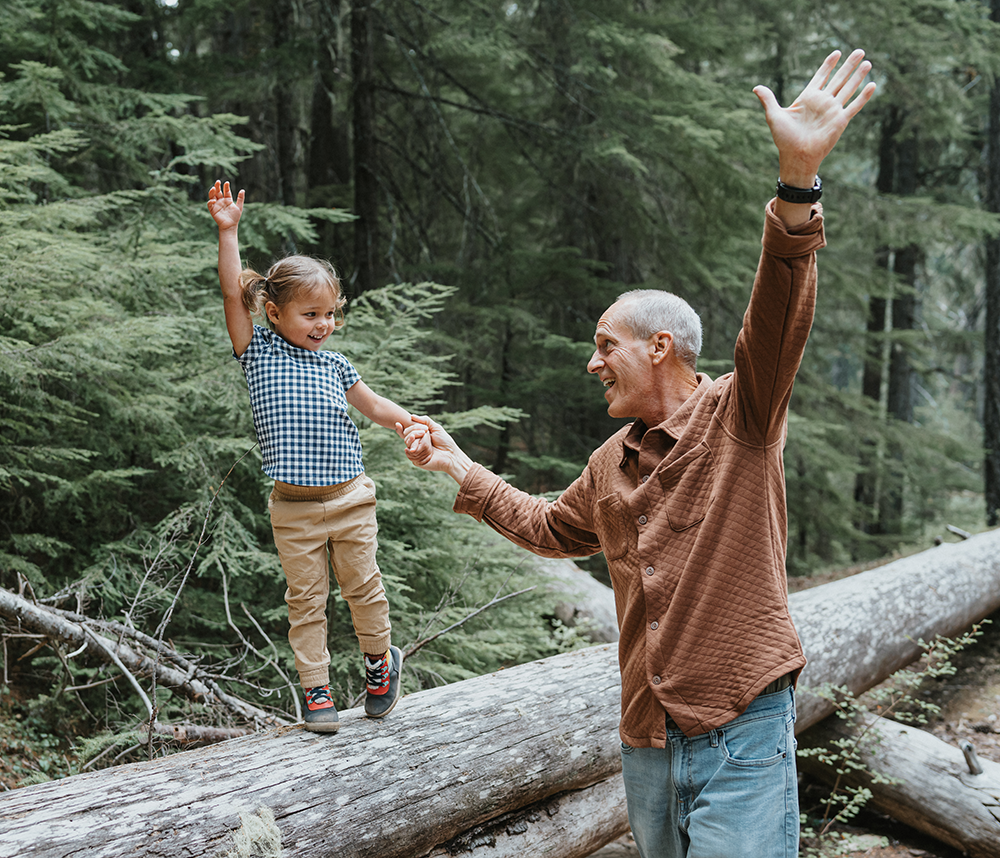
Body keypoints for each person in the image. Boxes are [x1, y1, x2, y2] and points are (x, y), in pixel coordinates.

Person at [402, 50, 876, 856]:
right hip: (646, 741)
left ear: (661, 348)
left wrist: (797, 184)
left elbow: (777, 315)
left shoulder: (742, 416)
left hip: (740, 731)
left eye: (604, 346)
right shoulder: (608, 465)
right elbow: (551, 528)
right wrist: (459, 467)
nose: (592, 363)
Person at [208, 180, 417, 733]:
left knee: (363, 586)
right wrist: (228, 231)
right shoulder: (256, 353)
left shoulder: (335, 364)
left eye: (330, 313)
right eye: (310, 315)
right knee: (306, 600)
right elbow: (233, 294)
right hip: (294, 509)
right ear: (274, 313)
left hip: (349, 497)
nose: (323, 325)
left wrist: (410, 423)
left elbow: (373, 405)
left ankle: (379, 664)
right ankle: (316, 688)